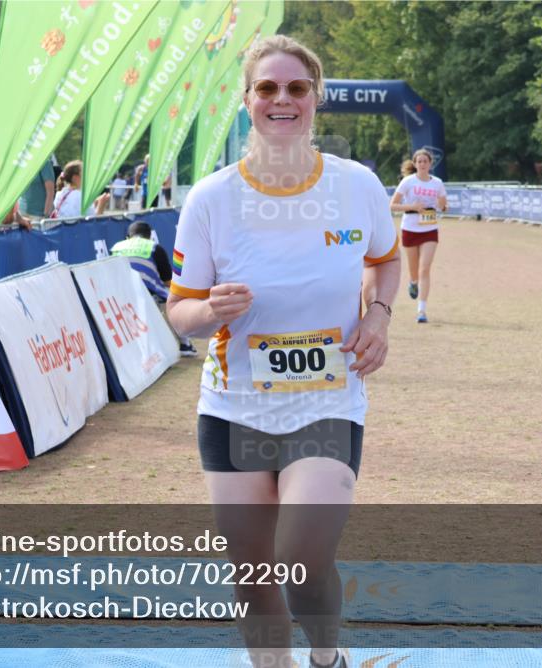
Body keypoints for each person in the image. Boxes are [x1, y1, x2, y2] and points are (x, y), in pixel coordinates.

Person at [166, 35, 399, 668]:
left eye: (296, 88)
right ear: (247, 101)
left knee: (301, 561)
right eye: (267, 88)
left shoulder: (357, 185)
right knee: (252, 579)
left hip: (327, 402)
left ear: (315, 100)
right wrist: (209, 310)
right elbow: (179, 313)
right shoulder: (211, 198)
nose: (282, 99)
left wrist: (378, 316)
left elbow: (385, 261)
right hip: (234, 406)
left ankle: (329, 659)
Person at [111, 221, 197, 357]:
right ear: (150, 237)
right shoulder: (154, 247)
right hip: (148, 294)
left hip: (118, 295)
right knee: (173, 300)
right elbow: (168, 281)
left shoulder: (116, 247)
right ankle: (185, 344)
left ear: (128, 236)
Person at [390, 148, 447, 323]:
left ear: (430, 164)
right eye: (419, 161)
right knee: (414, 271)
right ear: (415, 164)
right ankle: (413, 282)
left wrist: (442, 205)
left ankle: (421, 310)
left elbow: (443, 206)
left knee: (425, 269)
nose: (422, 164)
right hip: (410, 228)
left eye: (425, 161)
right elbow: (393, 205)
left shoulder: (437, 183)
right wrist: (412, 207)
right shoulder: (408, 182)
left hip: (429, 229)